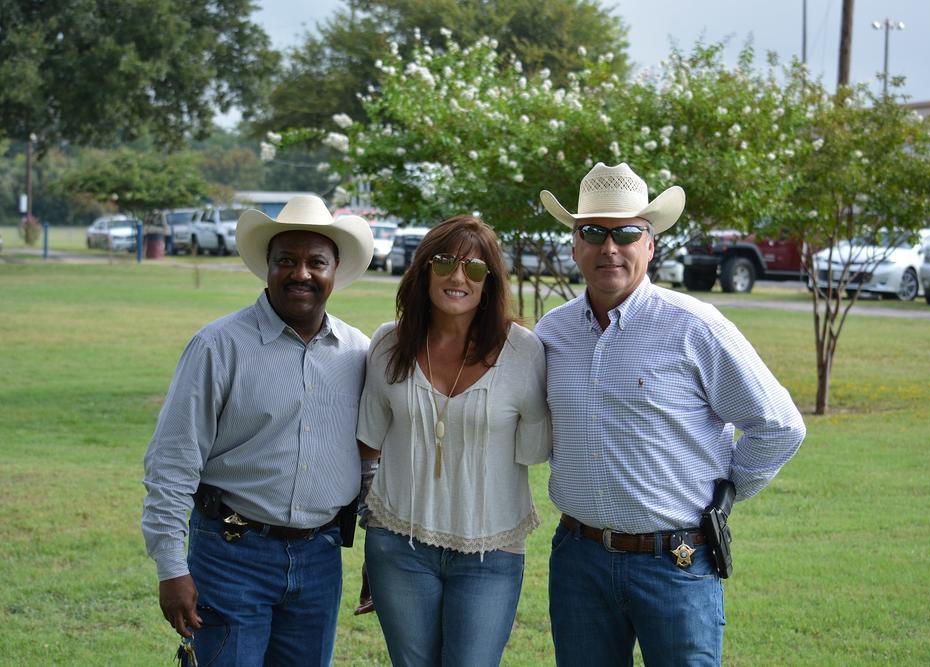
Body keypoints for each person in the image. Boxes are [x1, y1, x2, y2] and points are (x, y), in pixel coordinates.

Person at [534, 162, 807, 666]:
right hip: (579, 560)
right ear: (574, 244)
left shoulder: (695, 326)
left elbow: (780, 426)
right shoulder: (550, 334)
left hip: (677, 563)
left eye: (626, 232)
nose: (608, 247)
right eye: (592, 232)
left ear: (650, 243)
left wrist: (721, 496)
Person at [140, 194, 374, 665]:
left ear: (335, 270)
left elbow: (370, 463)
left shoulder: (360, 353)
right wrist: (171, 567)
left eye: (315, 262)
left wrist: (382, 551)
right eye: (286, 260)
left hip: (320, 560)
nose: (300, 273)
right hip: (231, 556)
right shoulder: (218, 347)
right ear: (267, 266)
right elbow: (172, 461)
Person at [356, 215, 551, 667]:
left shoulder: (524, 351)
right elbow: (369, 446)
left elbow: (533, 450)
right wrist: (372, 538)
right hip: (397, 547)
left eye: (475, 268)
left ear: (490, 282)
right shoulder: (388, 343)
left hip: (491, 552)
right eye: (444, 262)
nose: (458, 277)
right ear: (423, 269)